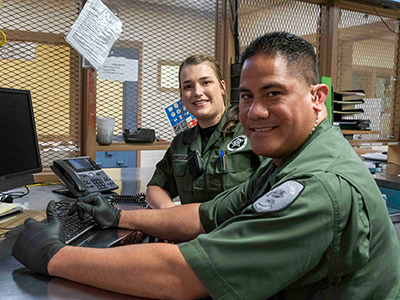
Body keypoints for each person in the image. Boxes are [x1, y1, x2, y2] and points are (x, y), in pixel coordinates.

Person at [12, 32, 400, 300]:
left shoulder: (317, 185)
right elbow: (204, 215)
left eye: (274, 93)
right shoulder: (287, 157)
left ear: (318, 97)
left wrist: (52, 255)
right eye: (247, 96)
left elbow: (181, 277)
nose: (256, 111)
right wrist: (119, 219)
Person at [146, 55, 262, 209]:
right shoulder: (181, 142)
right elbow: (156, 187)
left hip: (236, 230)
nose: (197, 92)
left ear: (222, 87)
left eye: (206, 82)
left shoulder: (251, 131)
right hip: (190, 231)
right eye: (188, 86)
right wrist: (172, 213)